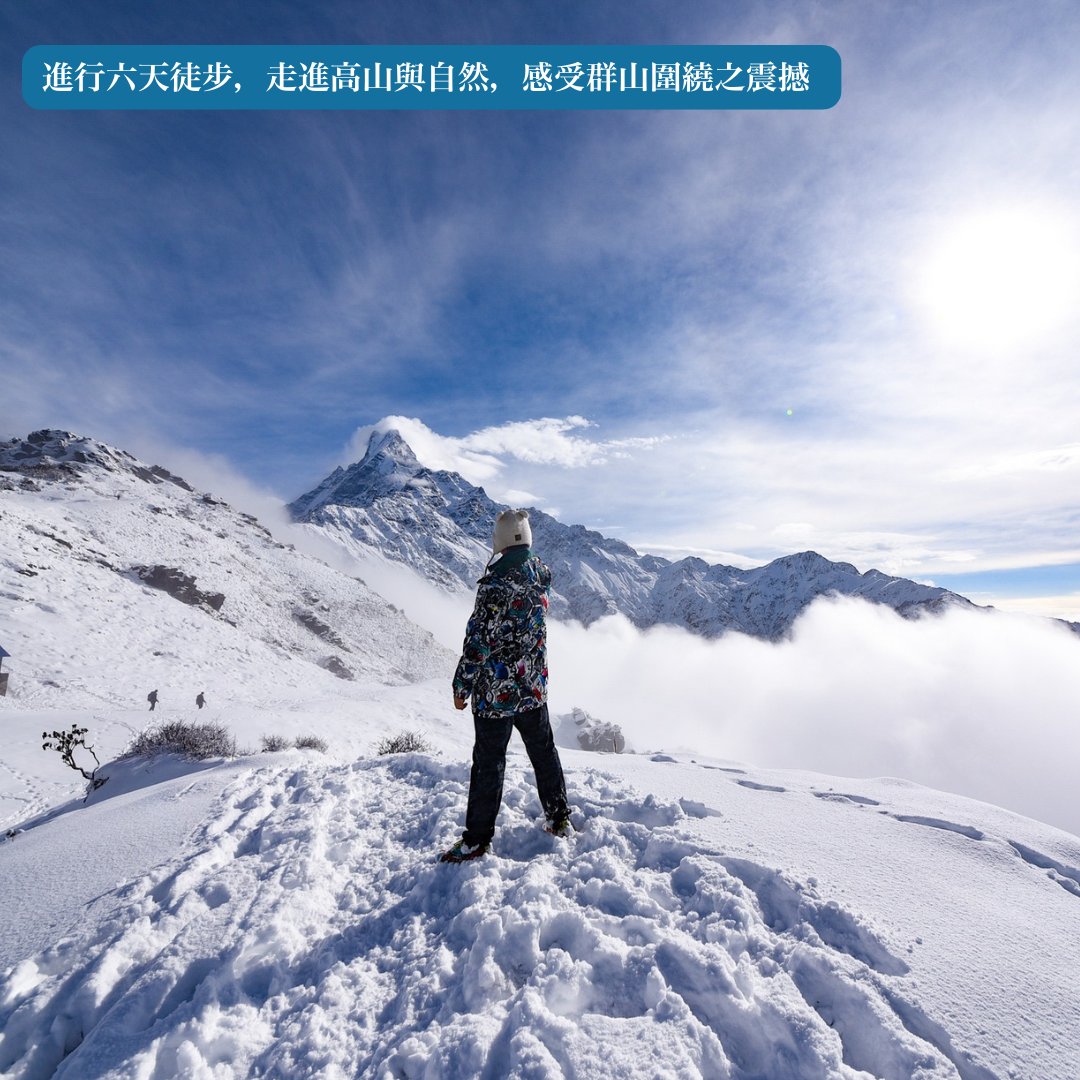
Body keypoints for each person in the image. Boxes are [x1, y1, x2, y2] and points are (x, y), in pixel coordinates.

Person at [441, 509, 571, 863]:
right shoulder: (542, 575)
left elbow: (478, 642)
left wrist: (461, 686)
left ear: (498, 541)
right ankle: (559, 817)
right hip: (533, 687)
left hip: (495, 694)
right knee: (544, 752)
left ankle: (477, 840)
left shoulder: (495, 585)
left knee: (489, 763)